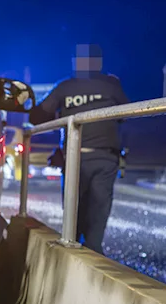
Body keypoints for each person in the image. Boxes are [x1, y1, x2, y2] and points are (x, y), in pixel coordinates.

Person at [28, 44, 130, 253]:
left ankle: (73, 249)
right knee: (99, 210)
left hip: (76, 158)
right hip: (105, 157)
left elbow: (36, 116)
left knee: (74, 210)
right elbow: (125, 114)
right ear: (99, 63)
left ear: (76, 62)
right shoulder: (111, 85)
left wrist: (60, 114)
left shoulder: (65, 87)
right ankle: (93, 250)